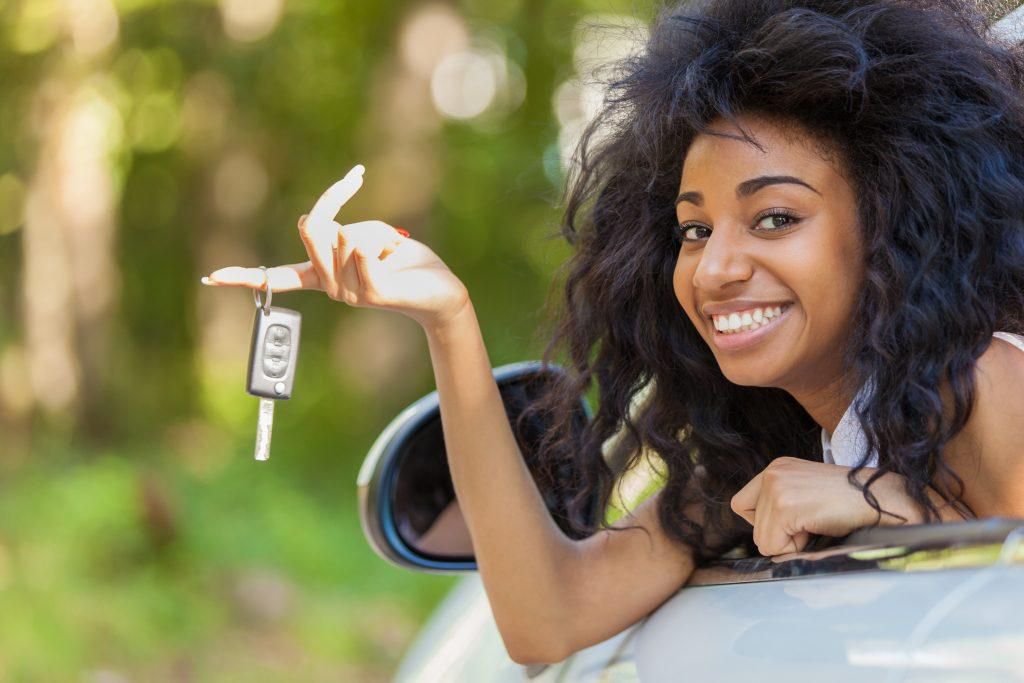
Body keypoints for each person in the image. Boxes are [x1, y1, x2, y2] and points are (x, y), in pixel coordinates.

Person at [202, 0, 1024, 665]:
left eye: (775, 218)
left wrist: (883, 503)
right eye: (694, 230)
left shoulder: (987, 383)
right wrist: (448, 320)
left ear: (894, 227)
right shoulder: (753, 455)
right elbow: (546, 620)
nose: (715, 269)